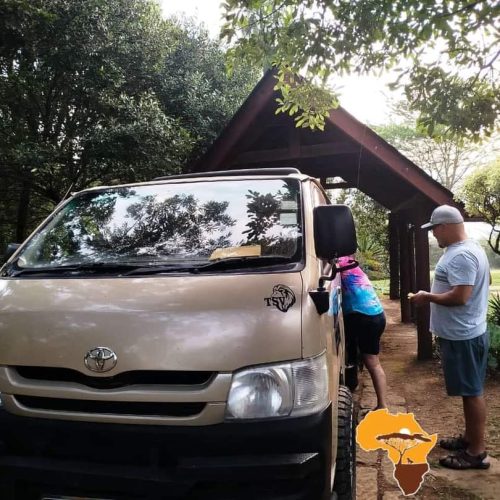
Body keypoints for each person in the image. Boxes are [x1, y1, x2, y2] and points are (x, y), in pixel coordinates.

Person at [409, 204, 491, 470]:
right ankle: (469, 439)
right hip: (466, 332)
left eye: (434, 230)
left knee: (472, 392)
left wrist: (427, 296)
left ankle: (476, 452)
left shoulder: (461, 256)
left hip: (463, 336)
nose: (434, 235)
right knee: (469, 390)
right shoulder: (470, 249)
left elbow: (461, 296)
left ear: (444, 226)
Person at [338, 255, 387, 410]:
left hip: (363, 316)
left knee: (369, 361)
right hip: (377, 314)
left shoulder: (336, 264)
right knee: (373, 361)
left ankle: (381, 406)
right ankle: (382, 405)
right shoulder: (350, 262)